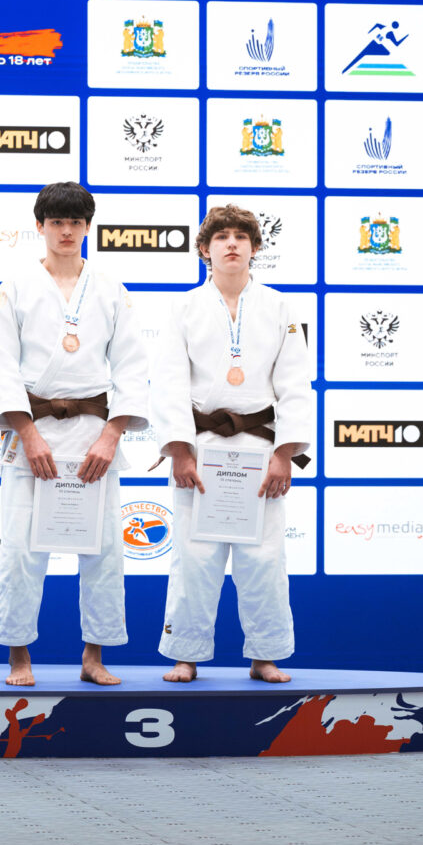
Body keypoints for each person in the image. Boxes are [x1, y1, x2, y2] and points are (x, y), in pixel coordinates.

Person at [0, 182, 149, 687]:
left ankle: (93, 656)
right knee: (20, 551)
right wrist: (28, 433)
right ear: (40, 226)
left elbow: (132, 367)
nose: (67, 231)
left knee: (103, 551)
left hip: (94, 434)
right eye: (57, 222)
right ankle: (19, 658)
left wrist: (112, 434)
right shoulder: (14, 287)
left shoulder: (111, 289)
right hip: (32, 433)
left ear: (88, 227)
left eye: (76, 222)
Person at [154, 205, 312, 684]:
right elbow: (169, 382)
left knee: (263, 558)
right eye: (221, 236)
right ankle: (186, 654)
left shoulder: (280, 308)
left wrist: (285, 454)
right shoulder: (183, 308)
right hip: (201, 448)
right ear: (204, 249)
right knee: (194, 556)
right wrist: (179, 449)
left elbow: (295, 384)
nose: (231, 244)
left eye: (241, 236)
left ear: (255, 247)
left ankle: (265, 655)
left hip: (261, 449)